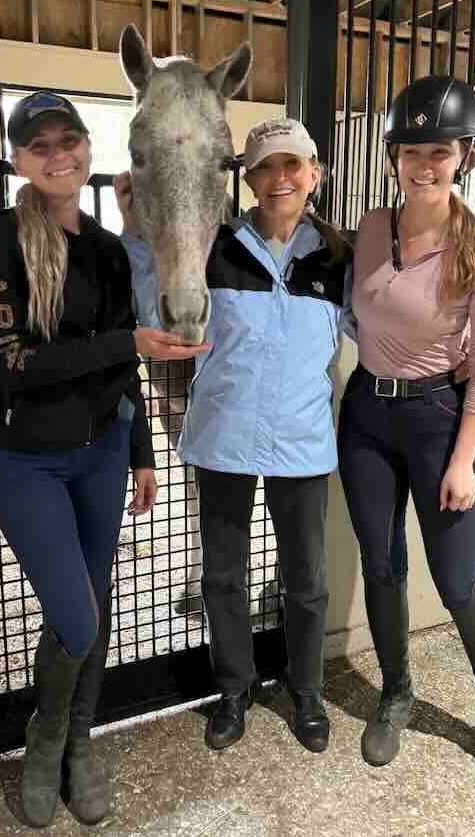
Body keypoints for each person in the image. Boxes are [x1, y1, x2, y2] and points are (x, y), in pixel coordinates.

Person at [0, 91, 207, 828]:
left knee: (93, 612)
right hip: (26, 459)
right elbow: (17, 366)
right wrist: (128, 341)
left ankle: (79, 745)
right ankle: (45, 741)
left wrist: (139, 452)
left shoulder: (105, 250)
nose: (58, 155)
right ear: (18, 159)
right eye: (39, 145)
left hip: (102, 455)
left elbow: (118, 376)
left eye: (68, 140)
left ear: (86, 149)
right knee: (74, 613)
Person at [117, 118, 355, 754]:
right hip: (223, 438)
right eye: (264, 168)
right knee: (223, 575)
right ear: (246, 179)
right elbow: (157, 310)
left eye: (291, 165)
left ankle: (304, 689)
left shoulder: (337, 256)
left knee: (305, 578)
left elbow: (380, 329)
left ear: (314, 174)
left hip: (302, 441)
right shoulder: (214, 246)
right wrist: (139, 233)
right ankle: (234, 688)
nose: (279, 179)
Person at [337, 76, 475, 805]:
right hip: (365, 415)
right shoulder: (369, 227)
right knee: (382, 567)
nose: (425, 163)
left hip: (438, 423)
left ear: (465, 157)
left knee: (457, 582)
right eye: (411, 149)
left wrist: (461, 460)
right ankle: (395, 694)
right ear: (392, 157)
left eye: (439, 151)